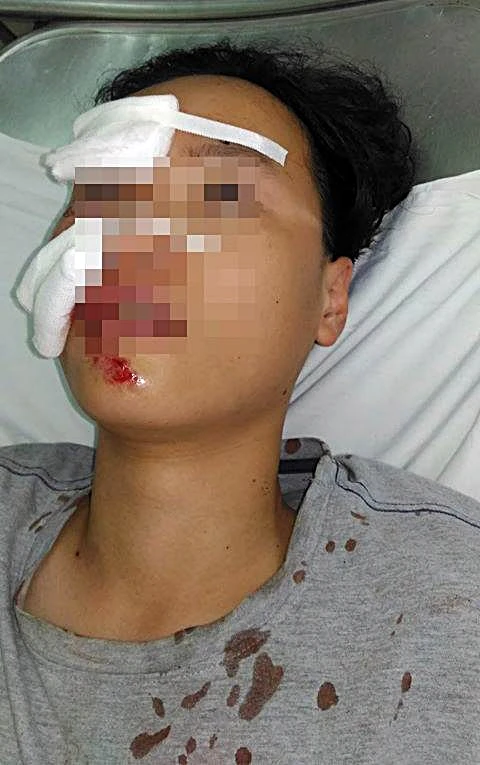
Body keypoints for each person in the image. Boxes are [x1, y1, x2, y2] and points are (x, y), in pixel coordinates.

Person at [1, 39, 479, 765]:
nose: (134, 243)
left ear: (331, 298)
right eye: (105, 192)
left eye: (219, 198)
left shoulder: (448, 606)